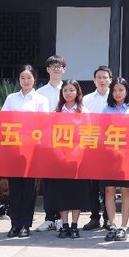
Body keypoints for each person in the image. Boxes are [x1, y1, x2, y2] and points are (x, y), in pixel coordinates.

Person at [1, 65, 50, 238]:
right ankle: (15, 223)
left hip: (32, 150)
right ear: (19, 80)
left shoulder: (41, 100)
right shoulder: (11, 98)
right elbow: (3, 119)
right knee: (14, 187)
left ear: (34, 79)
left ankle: (25, 224)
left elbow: (44, 124)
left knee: (30, 188)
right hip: (14, 148)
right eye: (22, 78)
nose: (26, 81)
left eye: (29, 77)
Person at [50, 79, 88, 239]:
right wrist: (60, 155)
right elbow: (52, 136)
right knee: (62, 192)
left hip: (78, 159)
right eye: (65, 90)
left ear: (77, 92)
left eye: (72, 90)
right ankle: (64, 225)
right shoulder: (57, 112)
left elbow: (87, 135)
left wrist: (76, 154)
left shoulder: (83, 111)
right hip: (60, 158)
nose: (68, 93)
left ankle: (74, 225)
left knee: (76, 192)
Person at [101, 77, 129, 242]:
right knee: (109, 189)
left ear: (127, 92)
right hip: (109, 155)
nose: (117, 93)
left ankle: (123, 227)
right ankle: (112, 225)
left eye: (121, 90)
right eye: (115, 90)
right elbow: (101, 132)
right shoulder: (105, 110)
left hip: (127, 156)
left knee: (125, 190)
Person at [34, 55, 67, 232]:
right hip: (46, 142)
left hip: (65, 143)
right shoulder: (40, 93)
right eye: (52, 66)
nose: (56, 69)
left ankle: (62, 218)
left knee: (63, 181)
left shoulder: (69, 89)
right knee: (47, 181)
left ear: (64, 69)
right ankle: (49, 217)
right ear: (47, 70)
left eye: (59, 66)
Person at [81, 65, 112, 231]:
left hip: (109, 146)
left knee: (107, 185)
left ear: (110, 80)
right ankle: (94, 217)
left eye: (105, 77)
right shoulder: (86, 99)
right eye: (99, 77)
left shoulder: (115, 98)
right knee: (92, 184)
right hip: (92, 145)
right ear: (94, 80)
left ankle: (108, 217)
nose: (102, 80)